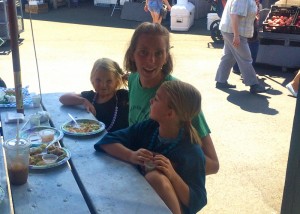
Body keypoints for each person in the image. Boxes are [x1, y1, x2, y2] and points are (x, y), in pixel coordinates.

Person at [94, 80, 207, 213]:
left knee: (155, 178)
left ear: (170, 113)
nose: (151, 101)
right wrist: (131, 155)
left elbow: (198, 201)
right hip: (143, 203)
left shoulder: (192, 151)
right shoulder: (149, 127)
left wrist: (172, 175)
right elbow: (107, 141)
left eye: (157, 99)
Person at [123, 22, 219, 175]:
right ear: (132, 54)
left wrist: (168, 166)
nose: (151, 60)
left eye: (159, 53)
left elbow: (213, 164)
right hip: (136, 174)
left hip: (165, 187)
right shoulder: (133, 79)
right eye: (143, 52)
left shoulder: (179, 95)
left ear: (167, 56)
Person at [215, 0, 270, 94]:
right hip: (235, 32)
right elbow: (234, 15)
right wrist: (236, 36)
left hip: (229, 30)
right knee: (246, 59)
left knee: (228, 57)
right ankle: (253, 85)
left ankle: (221, 81)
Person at [59, 58, 129, 132]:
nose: (103, 85)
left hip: (119, 141)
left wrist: (132, 79)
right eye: (98, 80)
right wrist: (83, 101)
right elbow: (63, 98)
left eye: (109, 81)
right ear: (92, 80)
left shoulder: (123, 97)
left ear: (117, 82)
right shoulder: (91, 97)